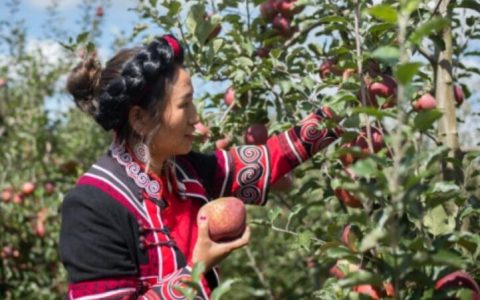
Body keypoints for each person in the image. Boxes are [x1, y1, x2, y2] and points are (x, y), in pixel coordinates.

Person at [60, 34, 342, 299]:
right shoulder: (92, 206)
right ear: (140, 119)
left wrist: (341, 113)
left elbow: (272, 158)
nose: (197, 118)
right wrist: (197, 267)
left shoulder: (186, 172)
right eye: (185, 105)